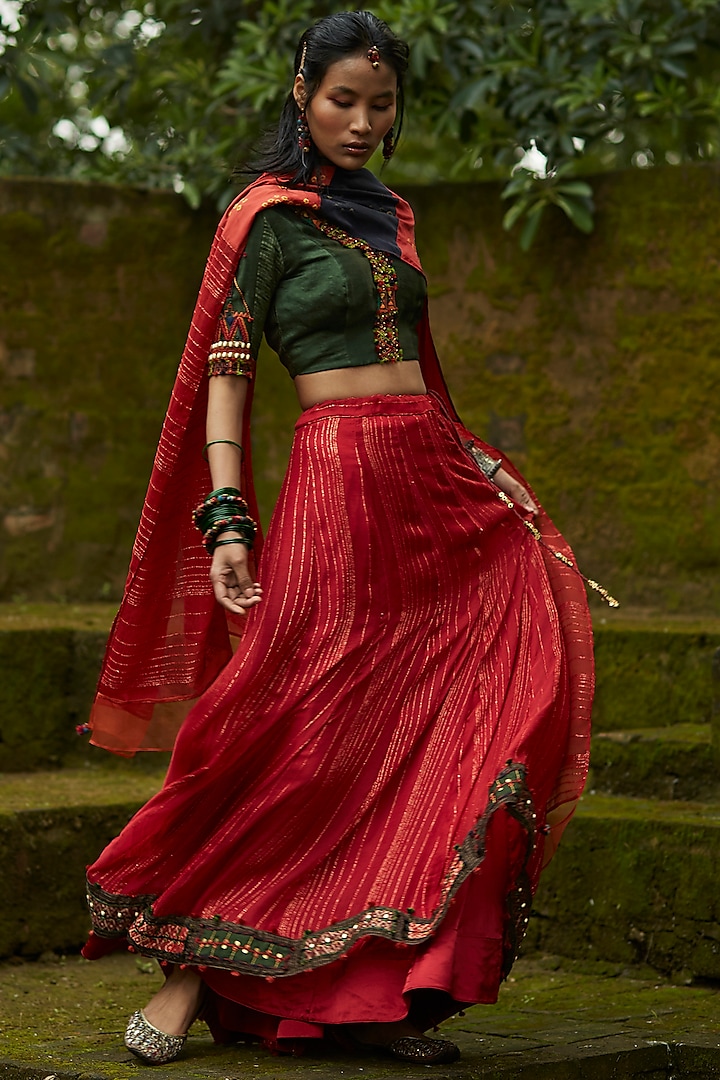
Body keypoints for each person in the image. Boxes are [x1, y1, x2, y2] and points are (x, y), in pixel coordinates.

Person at [81, 10, 598, 1068]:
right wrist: (227, 518)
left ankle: (386, 987)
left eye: (381, 104)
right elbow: (227, 382)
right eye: (342, 101)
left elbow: (421, 370)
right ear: (302, 94)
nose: (362, 123)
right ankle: (189, 962)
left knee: (460, 710)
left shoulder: (393, 217)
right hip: (337, 481)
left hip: (431, 483)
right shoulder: (263, 220)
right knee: (298, 715)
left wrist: (483, 469)